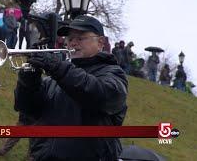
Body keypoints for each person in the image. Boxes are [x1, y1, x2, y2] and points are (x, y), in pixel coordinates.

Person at [14, 15, 128, 161]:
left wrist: (58, 68)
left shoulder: (113, 74)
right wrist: (29, 78)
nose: (73, 43)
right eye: (70, 39)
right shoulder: (54, 79)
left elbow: (99, 95)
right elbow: (27, 110)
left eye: (80, 38)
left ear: (100, 43)